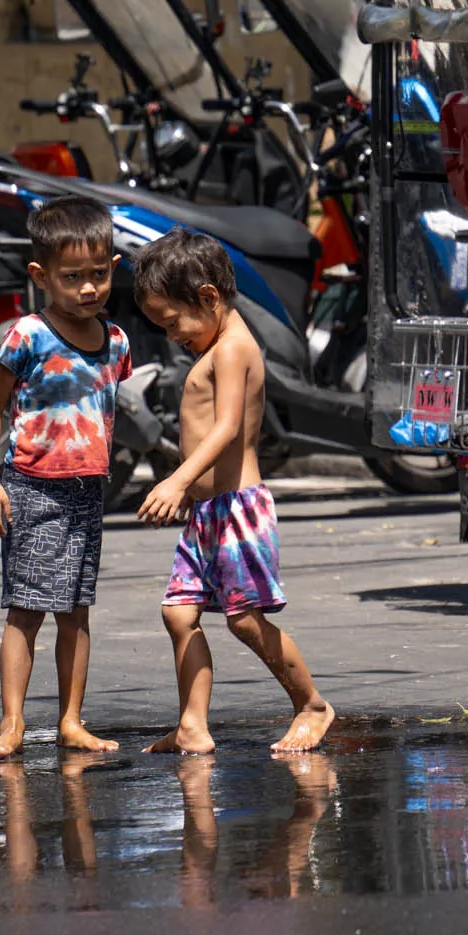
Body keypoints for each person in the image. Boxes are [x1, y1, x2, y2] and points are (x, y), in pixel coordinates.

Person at [133, 228, 335, 755]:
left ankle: (312, 704)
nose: (172, 335)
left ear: (207, 297)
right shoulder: (217, 344)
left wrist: (177, 478)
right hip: (206, 513)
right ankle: (192, 726)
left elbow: (225, 430)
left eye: (173, 322)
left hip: (237, 509)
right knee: (179, 613)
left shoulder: (234, 348)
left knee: (245, 620)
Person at [0, 195, 130, 761]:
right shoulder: (29, 335)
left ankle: (70, 720)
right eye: (72, 278)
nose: (87, 289)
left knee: (76, 609)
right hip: (31, 486)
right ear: (41, 276)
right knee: (25, 609)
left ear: (113, 269)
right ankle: (12, 723)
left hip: (88, 490)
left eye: (97, 275)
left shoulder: (117, 342)